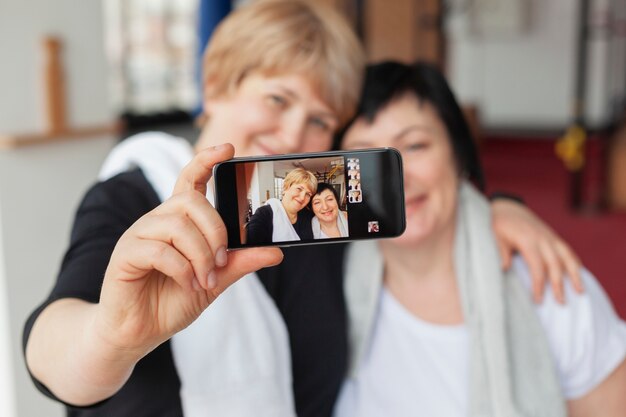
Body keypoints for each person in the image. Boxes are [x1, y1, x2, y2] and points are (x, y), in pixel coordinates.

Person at [22, 1, 584, 416]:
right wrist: (111, 336)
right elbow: (51, 352)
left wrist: (496, 210)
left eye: (319, 120)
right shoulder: (134, 199)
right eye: (276, 99)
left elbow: (416, 212)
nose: (293, 132)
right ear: (214, 86)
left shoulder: (319, 220)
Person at [327, 61, 626, 417]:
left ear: (458, 156)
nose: (395, 178)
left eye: (415, 145)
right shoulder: (322, 282)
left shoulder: (546, 282)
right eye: (363, 157)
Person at [246, 167, 317, 244]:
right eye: (299, 189)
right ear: (285, 188)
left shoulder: (307, 215)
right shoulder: (264, 214)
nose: (303, 197)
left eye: (308, 194)